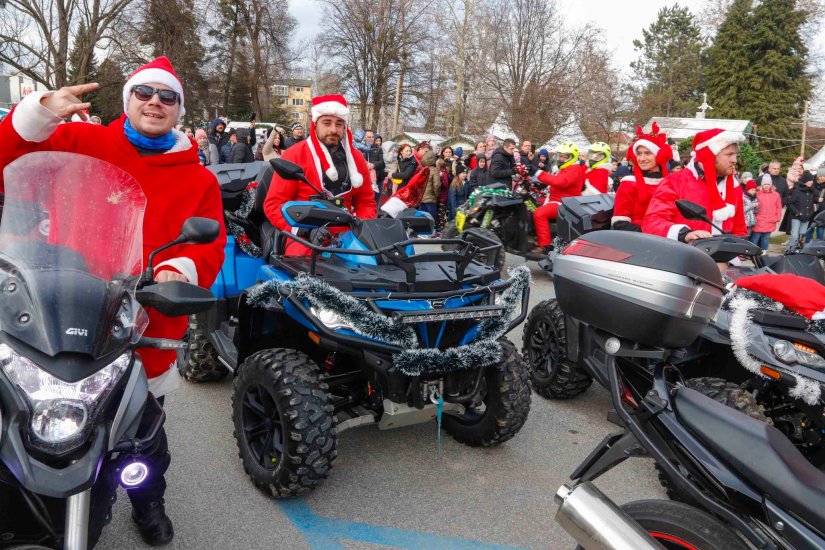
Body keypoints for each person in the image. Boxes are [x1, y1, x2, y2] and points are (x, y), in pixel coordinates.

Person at [0, 56, 225, 545]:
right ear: (128, 99)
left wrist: (176, 270)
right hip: (60, 307)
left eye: (168, 97)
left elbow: (208, 245)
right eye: (144, 92)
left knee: (143, 439)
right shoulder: (82, 141)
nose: (155, 103)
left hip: (143, 316)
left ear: (179, 110)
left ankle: (148, 501)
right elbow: (6, 159)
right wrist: (38, 112)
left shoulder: (199, 178)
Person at [263, 94, 375, 255]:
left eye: (339, 123)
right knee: (306, 268)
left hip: (348, 235)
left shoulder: (357, 159)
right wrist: (304, 230)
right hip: (304, 237)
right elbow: (273, 205)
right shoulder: (294, 155)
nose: (333, 129)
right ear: (315, 124)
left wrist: (360, 226)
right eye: (327, 123)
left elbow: (366, 202)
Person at [642, 128, 747, 241]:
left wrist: (738, 253)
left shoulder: (735, 187)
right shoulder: (674, 182)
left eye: (735, 155)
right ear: (709, 155)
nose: (734, 160)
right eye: (729, 154)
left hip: (724, 257)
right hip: (685, 255)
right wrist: (684, 234)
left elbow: (739, 229)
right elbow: (652, 222)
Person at [611, 124, 672, 232]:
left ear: (658, 155)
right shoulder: (629, 183)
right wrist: (650, 232)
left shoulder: (671, 183)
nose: (642, 159)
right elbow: (620, 223)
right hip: (640, 240)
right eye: (639, 154)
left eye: (648, 153)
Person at [530, 141, 587, 253]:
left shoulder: (574, 169)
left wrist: (538, 173)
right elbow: (555, 181)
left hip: (563, 203)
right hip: (556, 199)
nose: (561, 159)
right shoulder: (568, 168)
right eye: (560, 156)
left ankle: (545, 245)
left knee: (539, 213)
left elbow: (560, 182)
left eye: (564, 157)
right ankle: (537, 233)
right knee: (532, 204)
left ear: (572, 157)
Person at [751, 174, 783, 250]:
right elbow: (753, 207)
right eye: (765, 184)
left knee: (765, 239)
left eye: (768, 184)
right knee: (755, 238)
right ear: (762, 184)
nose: (766, 186)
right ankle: (751, 253)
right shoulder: (757, 194)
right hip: (759, 220)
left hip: (770, 221)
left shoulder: (776, 195)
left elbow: (779, 207)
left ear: (771, 184)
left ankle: (763, 255)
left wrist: (777, 218)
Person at [786, 175, 816, 253]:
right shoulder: (797, 191)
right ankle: (789, 250)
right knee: (794, 235)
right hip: (797, 217)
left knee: (801, 235)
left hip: (806, 217)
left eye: (812, 181)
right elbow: (789, 203)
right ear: (804, 181)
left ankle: (797, 250)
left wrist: (810, 213)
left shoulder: (811, 191)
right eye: (809, 181)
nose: (811, 182)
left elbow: (813, 204)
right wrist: (797, 212)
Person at [418, 150, 440, 219]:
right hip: (431, 198)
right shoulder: (434, 170)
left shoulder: (421, 169)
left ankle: (420, 229)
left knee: (421, 217)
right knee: (431, 218)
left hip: (421, 198)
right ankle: (432, 229)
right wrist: (437, 194)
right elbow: (437, 185)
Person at [806, 166, 825, 241]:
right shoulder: (812, 184)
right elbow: (809, 197)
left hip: (822, 212)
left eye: (824, 176)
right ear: (817, 176)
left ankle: (819, 248)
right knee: (810, 229)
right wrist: (817, 199)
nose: (822, 178)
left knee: (820, 230)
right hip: (812, 210)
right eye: (820, 176)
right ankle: (808, 245)